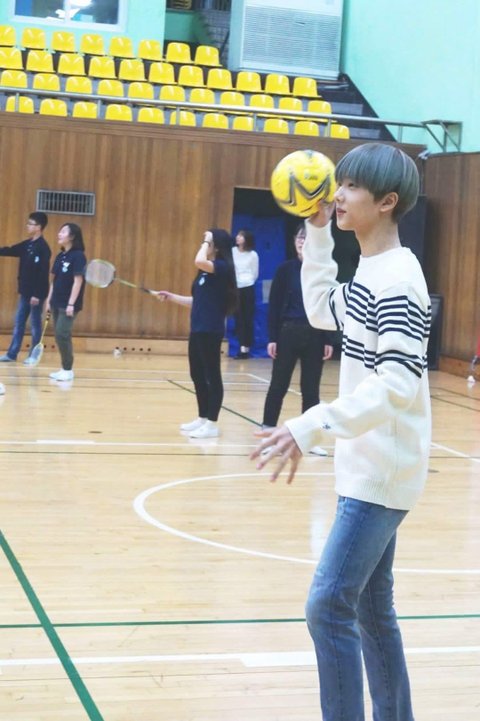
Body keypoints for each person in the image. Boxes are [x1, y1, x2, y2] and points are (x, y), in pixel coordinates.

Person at [252, 143, 432, 721]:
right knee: (372, 611)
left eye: (351, 187)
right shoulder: (371, 273)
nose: (338, 194)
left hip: (382, 472)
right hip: (365, 467)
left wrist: (310, 425)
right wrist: (318, 230)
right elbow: (321, 308)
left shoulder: (399, 280)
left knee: (328, 605)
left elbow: (396, 384)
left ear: (387, 202)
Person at [154, 228, 237, 439]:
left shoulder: (222, 267)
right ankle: (202, 417)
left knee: (212, 376)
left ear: (216, 246)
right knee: (197, 374)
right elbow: (197, 301)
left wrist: (207, 241)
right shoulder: (203, 273)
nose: (203, 244)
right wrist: (172, 297)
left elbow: (199, 260)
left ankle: (212, 424)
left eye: (207, 241)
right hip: (197, 328)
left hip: (211, 329)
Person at [261, 223, 334, 456]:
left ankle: (309, 440)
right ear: (294, 242)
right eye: (299, 237)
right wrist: (272, 337)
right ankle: (267, 436)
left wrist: (328, 339)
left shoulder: (321, 271)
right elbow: (274, 305)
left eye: (306, 237)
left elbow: (328, 305)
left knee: (311, 389)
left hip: (315, 334)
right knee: (278, 385)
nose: (302, 241)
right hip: (288, 332)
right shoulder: (285, 270)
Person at [0, 212, 51, 365]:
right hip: (25, 293)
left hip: (36, 295)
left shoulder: (43, 248)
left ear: (38, 227)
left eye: (30, 224)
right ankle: (12, 354)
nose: (27, 226)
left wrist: (37, 294)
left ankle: (33, 355)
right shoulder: (27, 245)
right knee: (19, 323)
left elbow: (43, 274)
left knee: (35, 325)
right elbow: (10, 250)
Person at [46, 223, 87, 382]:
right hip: (56, 301)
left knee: (62, 334)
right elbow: (54, 280)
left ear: (72, 237)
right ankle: (64, 368)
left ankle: (68, 370)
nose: (59, 234)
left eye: (63, 231)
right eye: (60, 231)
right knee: (60, 335)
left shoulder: (78, 256)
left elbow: (78, 281)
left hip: (68, 304)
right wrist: (49, 300)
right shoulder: (60, 255)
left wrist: (71, 304)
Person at [232, 229, 259, 359]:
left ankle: (245, 348)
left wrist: (246, 281)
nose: (238, 237)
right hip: (235, 288)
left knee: (247, 317)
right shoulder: (232, 251)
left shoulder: (253, 255)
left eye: (241, 236)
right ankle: (240, 346)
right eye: (238, 235)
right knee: (238, 317)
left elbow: (255, 273)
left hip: (248, 287)